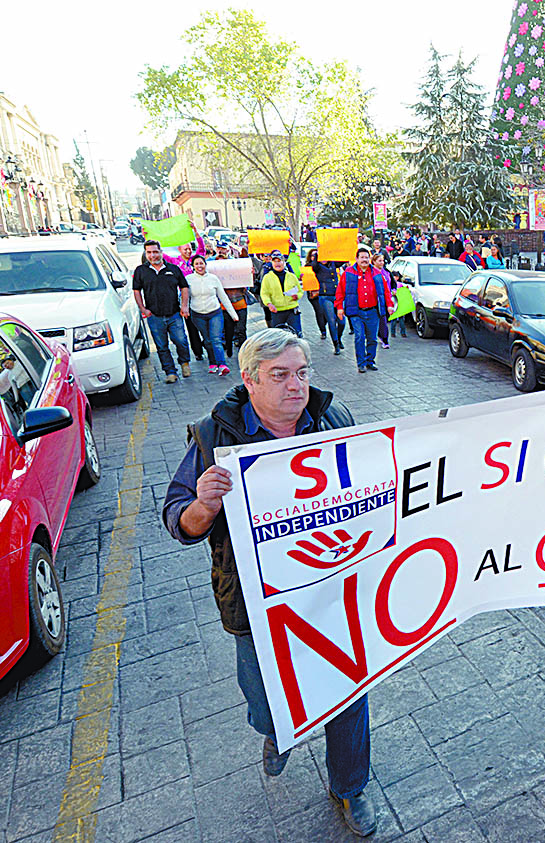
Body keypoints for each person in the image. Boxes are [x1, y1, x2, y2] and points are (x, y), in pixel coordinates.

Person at [162, 330, 376, 837]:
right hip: (256, 603)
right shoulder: (214, 436)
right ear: (250, 380)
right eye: (280, 376)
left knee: (349, 693)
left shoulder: (333, 418)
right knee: (265, 696)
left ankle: (350, 787)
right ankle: (276, 730)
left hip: (332, 590)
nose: (295, 386)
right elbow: (177, 520)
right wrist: (203, 506)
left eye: (301, 373)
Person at [133, 239, 192, 384]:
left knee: (181, 341)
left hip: (174, 314)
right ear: (145, 254)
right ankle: (170, 372)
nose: (153, 255)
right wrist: (143, 309)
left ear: (161, 252)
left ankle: (184, 363)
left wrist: (184, 306)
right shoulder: (141, 271)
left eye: (155, 252)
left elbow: (184, 287)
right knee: (161, 346)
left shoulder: (173, 269)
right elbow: (136, 291)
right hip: (154, 316)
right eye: (149, 252)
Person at [336, 245, 394, 373]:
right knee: (359, 337)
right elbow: (340, 291)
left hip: (373, 311)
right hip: (356, 312)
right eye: (362, 257)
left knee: (372, 338)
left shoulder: (377, 273)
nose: (364, 260)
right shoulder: (348, 273)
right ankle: (361, 363)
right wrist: (339, 307)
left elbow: (385, 292)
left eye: (367, 257)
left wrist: (389, 305)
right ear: (356, 259)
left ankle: (370, 361)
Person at [186, 255, 239, 376]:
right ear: (193, 266)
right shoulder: (188, 279)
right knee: (208, 340)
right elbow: (185, 297)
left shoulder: (213, 279)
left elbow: (223, 297)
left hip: (215, 313)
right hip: (198, 315)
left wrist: (233, 314)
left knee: (216, 339)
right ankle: (212, 362)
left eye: (201, 263)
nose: (200, 266)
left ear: (205, 264)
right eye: (197, 264)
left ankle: (222, 364)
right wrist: (184, 309)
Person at [308, 250, 344, 355]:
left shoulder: (333, 263)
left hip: (337, 296)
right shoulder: (317, 266)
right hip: (325, 297)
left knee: (342, 322)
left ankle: (339, 337)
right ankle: (336, 344)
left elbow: (344, 258)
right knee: (332, 321)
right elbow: (313, 265)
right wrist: (318, 252)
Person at [260, 250, 303, 335]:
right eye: (274, 261)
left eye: (279, 261)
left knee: (297, 335)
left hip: (292, 310)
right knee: (278, 337)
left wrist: (297, 296)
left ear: (284, 262)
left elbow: (300, 291)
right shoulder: (267, 277)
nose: (277, 264)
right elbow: (264, 293)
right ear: (272, 263)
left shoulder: (291, 276)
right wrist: (269, 304)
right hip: (277, 311)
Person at [372, 252, 395, 348]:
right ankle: (377, 336)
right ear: (374, 262)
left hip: (385, 299)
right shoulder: (370, 272)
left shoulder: (387, 272)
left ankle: (385, 339)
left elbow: (393, 283)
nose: (382, 263)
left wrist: (394, 290)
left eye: (383, 261)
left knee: (383, 320)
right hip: (374, 300)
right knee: (374, 320)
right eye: (379, 261)